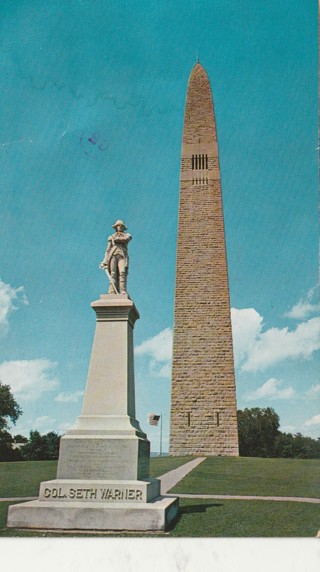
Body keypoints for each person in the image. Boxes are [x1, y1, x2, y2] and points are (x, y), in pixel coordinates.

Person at [99, 220, 132, 294]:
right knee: (113, 273)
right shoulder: (111, 237)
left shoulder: (126, 235)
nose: (120, 227)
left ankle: (122, 290)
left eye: (121, 226)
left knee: (122, 272)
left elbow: (127, 239)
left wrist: (117, 239)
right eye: (118, 225)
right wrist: (105, 261)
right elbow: (107, 250)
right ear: (116, 227)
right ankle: (112, 291)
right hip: (113, 255)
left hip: (122, 256)